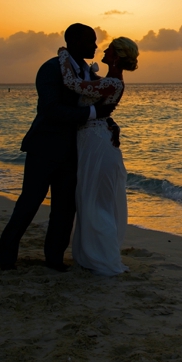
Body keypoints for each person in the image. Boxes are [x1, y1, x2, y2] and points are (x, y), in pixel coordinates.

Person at [0, 23, 118, 272]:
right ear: (73, 41)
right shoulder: (51, 69)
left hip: (74, 151)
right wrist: (95, 112)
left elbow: (95, 102)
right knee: (29, 203)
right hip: (45, 147)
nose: (95, 46)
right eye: (90, 41)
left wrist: (109, 122)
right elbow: (51, 109)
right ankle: (6, 257)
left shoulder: (87, 73)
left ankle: (54, 258)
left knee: (65, 208)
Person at [55, 37, 139, 276]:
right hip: (91, 140)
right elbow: (91, 91)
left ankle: (103, 258)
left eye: (109, 49)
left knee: (96, 201)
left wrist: (63, 54)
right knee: (88, 197)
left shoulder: (113, 83)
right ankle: (91, 255)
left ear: (116, 56)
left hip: (97, 144)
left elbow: (73, 83)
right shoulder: (109, 81)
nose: (104, 49)